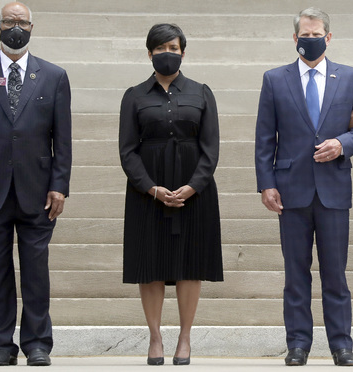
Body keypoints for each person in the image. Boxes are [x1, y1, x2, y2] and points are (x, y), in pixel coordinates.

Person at [254, 7, 353, 367]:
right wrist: (266, 184)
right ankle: (298, 344)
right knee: (295, 274)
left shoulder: (350, 77)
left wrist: (342, 143)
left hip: (334, 188)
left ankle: (341, 344)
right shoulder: (275, 79)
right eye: (305, 35)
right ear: (295, 39)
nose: (311, 40)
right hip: (290, 190)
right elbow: (264, 138)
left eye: (317, 33)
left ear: (329, 36)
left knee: (335, 273)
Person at [0, 1, 71, 367]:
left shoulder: (53, 76)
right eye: (9, 21)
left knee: (36, 272)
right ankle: (1, 345)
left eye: (21, 21)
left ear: (32, 28)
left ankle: (37, 343)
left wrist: (60, 185)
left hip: (38, 192)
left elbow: (62, 139)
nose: (15, 26)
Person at [118, 23, 223, 366]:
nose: (168, 54)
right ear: (149, 53)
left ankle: (185, 338)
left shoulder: (201, 92)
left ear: (183, 51)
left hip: (194, 190)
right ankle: (155, 337)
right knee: (150, 265)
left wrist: (192, 187)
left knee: (189, 265)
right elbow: (127, 150)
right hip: (146, 191)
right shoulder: (134, 95)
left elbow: (211, 149)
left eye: (174, 48)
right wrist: (152, 188)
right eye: (161, 49)